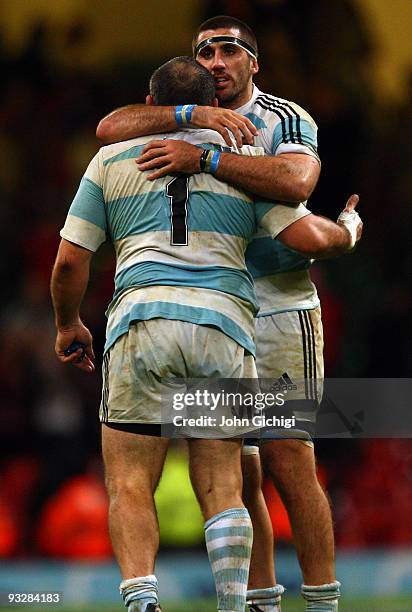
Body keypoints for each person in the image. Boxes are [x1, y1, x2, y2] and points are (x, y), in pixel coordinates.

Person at [52, 56, 361, 612]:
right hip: (222, 326)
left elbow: (70, 264)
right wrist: (348, 228)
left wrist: (68, 323)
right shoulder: (242, 162)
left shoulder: (109, 161)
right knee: (226, 480)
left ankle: (142, 598)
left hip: (140, 323)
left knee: (128, 481)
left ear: (151, 106)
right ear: (214, 106)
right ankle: (234, 603)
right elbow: (309, 236)